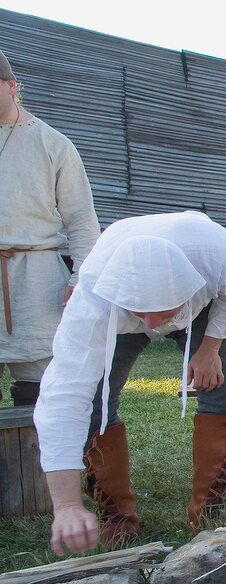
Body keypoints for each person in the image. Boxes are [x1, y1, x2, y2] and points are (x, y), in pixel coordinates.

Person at [35, 212, 226, 555]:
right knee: (95, 401)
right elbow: (62, 395)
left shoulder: (221, 258)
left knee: (219, 392)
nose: (151, 324)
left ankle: (207, 511)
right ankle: (117, 516)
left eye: (162, 311)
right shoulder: (94, 298)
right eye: (143, 312)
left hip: (202, 312)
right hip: (119, 316)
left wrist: (210, 346)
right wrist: (65, 507)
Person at [0, 49, 100, 406]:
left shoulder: (52, 144)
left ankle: (40, 461)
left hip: (36, 278)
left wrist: (80, 279)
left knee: (41, 381)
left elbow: (82, 222)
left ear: (11, 86)